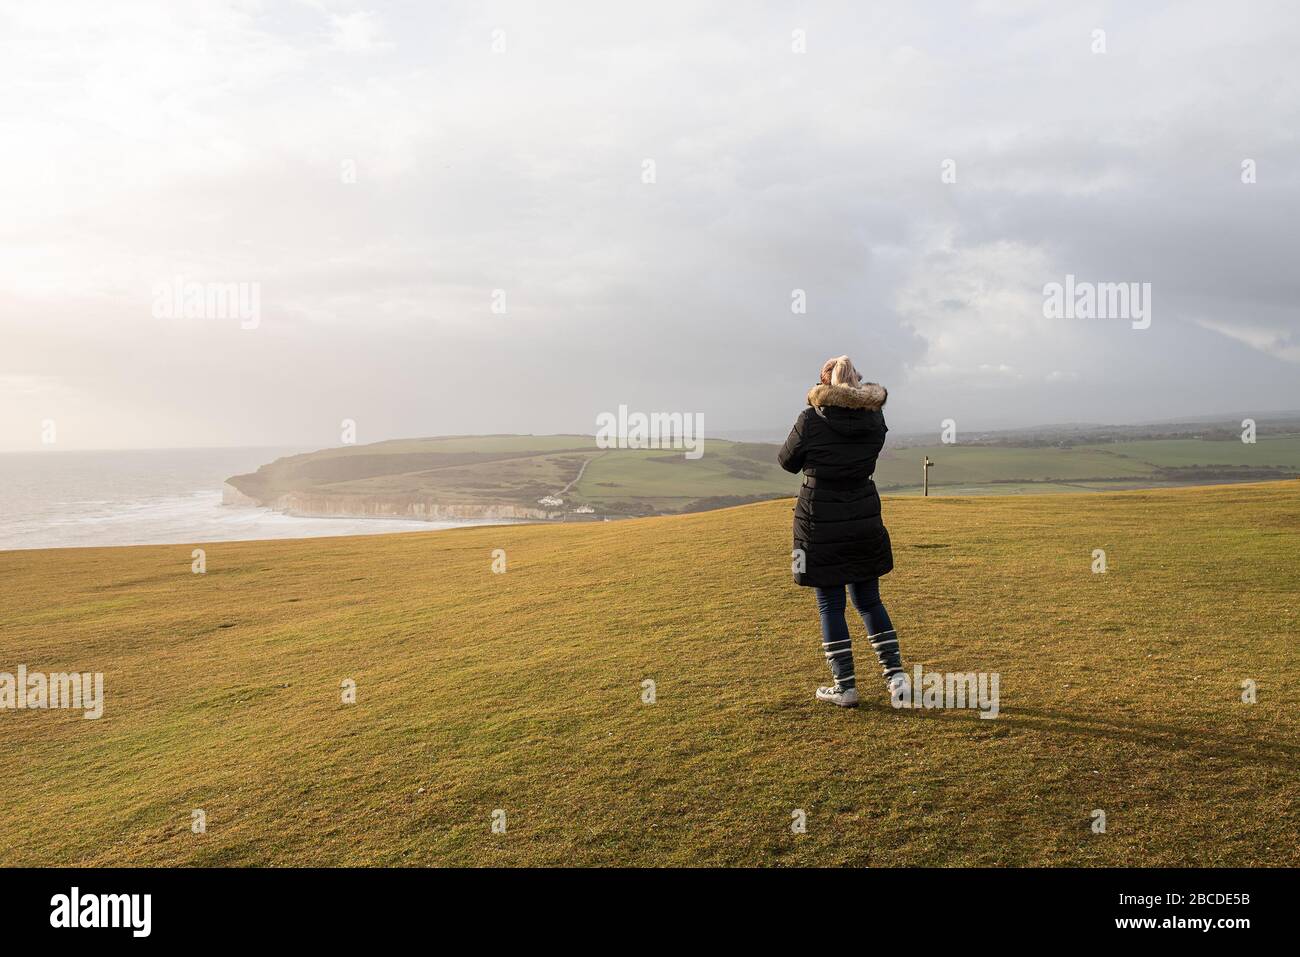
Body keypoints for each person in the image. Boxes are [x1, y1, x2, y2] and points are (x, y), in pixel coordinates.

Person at [777, 355, 909, 708]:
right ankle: (897, 679)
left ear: (823, 384)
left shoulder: (810, 419)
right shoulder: (875, 419)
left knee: (830, 605)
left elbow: (787, 461)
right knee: (869, 601)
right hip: (863, 512)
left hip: (820, 516)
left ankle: (845, 687)